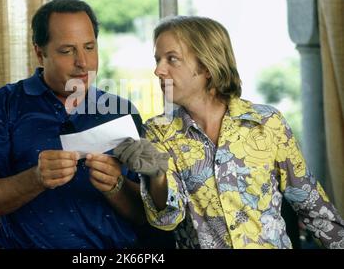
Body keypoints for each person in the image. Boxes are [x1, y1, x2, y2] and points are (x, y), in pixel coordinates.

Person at [114, 16, 344, 249]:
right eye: (158, 60)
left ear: (206, 66)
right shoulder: (158, 132)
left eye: (172, 59)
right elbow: (167, 220)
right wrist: (158, 175)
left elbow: (313, 207)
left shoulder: (267, 122)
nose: (158, 70)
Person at [0, 0, 154, 249]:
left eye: (89, 47)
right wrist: (36, 178)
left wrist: (116, 186)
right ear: (40, 53)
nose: (83, 63)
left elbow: (149, 215)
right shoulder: (0, 107)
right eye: (67, 50)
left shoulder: (123, 111)